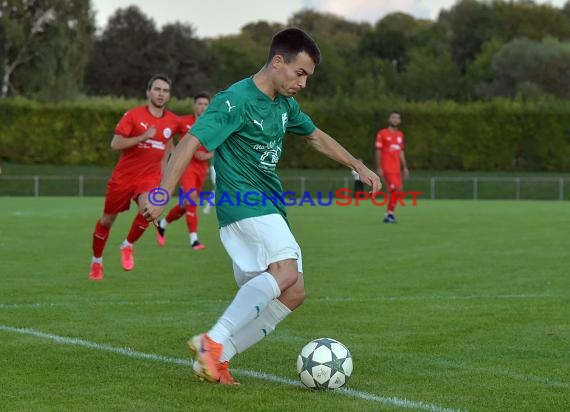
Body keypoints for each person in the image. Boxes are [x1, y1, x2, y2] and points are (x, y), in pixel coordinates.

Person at [142, 28, 381, 385]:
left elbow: (316, 136)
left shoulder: (284, 104)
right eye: (300, 73)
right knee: (285, 268)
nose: (303, 82)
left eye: (308, 77)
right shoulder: (234, 100)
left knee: (294, 291)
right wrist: (162, 194)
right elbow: (190, 141)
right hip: (243, 204)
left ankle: (218, 358)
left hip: (267, 206)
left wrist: (357, 165)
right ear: (278, 61)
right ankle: (213, 341)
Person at [88, 74, 181, 281]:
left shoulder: (173, 121)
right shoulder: (133, 115)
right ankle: (97, 261)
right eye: (157, 89)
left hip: (148, 179)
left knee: (150, 211)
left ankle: (128, 245)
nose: (161, 94)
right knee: (107, 220)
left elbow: (183, 140)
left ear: (169, 96)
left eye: (165, 91)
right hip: (123, 178)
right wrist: (143, 137)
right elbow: (115, 143)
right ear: (148, 92)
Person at [156, 92, 212, 249]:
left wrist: (208, 154)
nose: (202, 107)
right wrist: (174, 153)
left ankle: (163, 223)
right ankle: (194, 240)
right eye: (199, 104)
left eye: (205, 104)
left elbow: (220, 144)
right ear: (194, 106)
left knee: (186, 203)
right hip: (186, 167)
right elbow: (167, 134)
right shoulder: (184, 122)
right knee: (191, 199)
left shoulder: (212, 124)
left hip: (202, 170)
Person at [375, 111, 409, 223]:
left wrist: (405, 167)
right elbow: (378, 151)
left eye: (397, 118)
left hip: (397, 168)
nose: (395, 120)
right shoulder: (382, 133)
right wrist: (379, 167)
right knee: (394, 189)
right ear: (389, 119)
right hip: (387, 167)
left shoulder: (400, 134)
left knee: (398, 191)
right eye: (393, 117)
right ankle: (389, 214)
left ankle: (390, 214)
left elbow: (401, 152)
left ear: (399, 121)